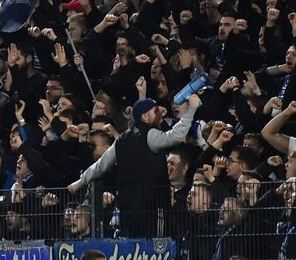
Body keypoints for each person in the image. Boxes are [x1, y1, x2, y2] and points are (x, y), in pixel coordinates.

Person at [69, 95, 200, 237]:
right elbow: (175, 136)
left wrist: (80, 182)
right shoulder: (150, 134)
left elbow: (101, 165)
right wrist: (191, 109)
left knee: (134, 250)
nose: (159, 114)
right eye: (155, 111)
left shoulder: (122, 139)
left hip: (127, 209)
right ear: (145, 117)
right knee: (156, 252)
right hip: (152, 208)